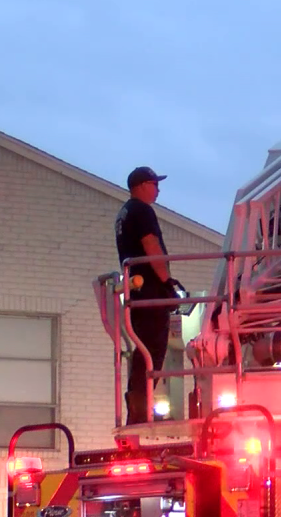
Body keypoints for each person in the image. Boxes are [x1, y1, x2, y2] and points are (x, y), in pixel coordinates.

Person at [115, 165, 177, 425]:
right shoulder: (142, 210)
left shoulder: (124, 213)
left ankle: (138, 411)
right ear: (141, 185)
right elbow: (151, 245)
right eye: (154, 184)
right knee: (153, 352)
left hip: (136, 293)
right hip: (150, 292)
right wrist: (166, 282)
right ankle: (141, 410)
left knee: (142, 355)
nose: (158, 189)